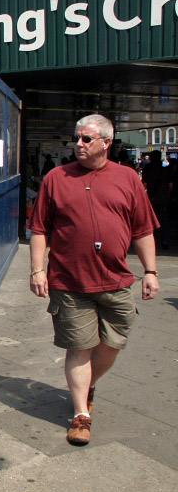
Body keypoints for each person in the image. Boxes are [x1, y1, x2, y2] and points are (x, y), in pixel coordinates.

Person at [28, 114, 159, 446]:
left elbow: (143, 229)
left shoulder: (128, 179)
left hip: (116, 281)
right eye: (77, 138)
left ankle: (87, 385)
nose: (79, 144)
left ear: (106, 142)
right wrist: (37, 269)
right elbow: (40, 229)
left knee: (113, 344)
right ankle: (80, 414)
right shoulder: (56, 178)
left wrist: (151, 271)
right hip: (69, 283)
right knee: (79, 347)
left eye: (87, 139)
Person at [141, 150, 172, 249]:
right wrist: (168, 194)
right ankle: (165, 240)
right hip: (163, 197)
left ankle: (151, 240)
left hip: (151, 198)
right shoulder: (165, 169)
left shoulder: (147, 169)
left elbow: (144, 184)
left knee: (150, 220)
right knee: (164, 221)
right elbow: (170, 184)